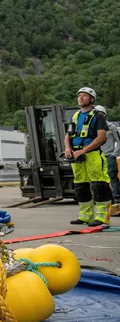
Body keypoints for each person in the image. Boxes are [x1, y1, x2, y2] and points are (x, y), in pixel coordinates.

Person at [64, 88, 111, 227]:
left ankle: (103, 218)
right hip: (77, 158)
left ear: (92, 99)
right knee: (81, 186)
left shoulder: (98, 116)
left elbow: (101, 137)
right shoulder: (75, 116)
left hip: (93, 155)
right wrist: (68, 148)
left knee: (99, 186)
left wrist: (83, 150)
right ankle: (85, 216)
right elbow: (68, 136)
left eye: (85, 96)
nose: (81, 98)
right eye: (79, 95)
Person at [102, 107, 120, 204]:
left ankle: (116, 197)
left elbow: (119, 141)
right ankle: (105, 197)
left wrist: (114, 154)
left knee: (112, 177)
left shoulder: (111, 127)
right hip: (98, 156)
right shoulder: (93, 127)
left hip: (109, 155)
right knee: (100, 179)